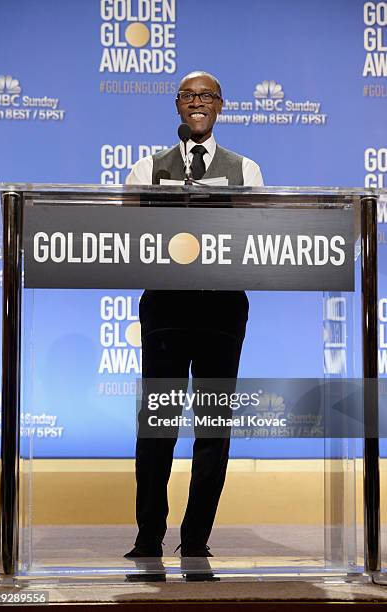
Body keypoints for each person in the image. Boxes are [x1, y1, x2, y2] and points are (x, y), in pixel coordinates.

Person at [125, 71, 264, 559]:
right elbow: (131, 238)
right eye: (188, 96)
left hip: (222, 310)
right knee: (157, 424)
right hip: (165, 308)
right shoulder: (146, 169)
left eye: (206, 96)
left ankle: (196, 539)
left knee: (212, 425)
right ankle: (148, 537)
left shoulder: (246, 169)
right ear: (177, 107)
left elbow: (255, 237)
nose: (197, 103)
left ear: (220, 106)